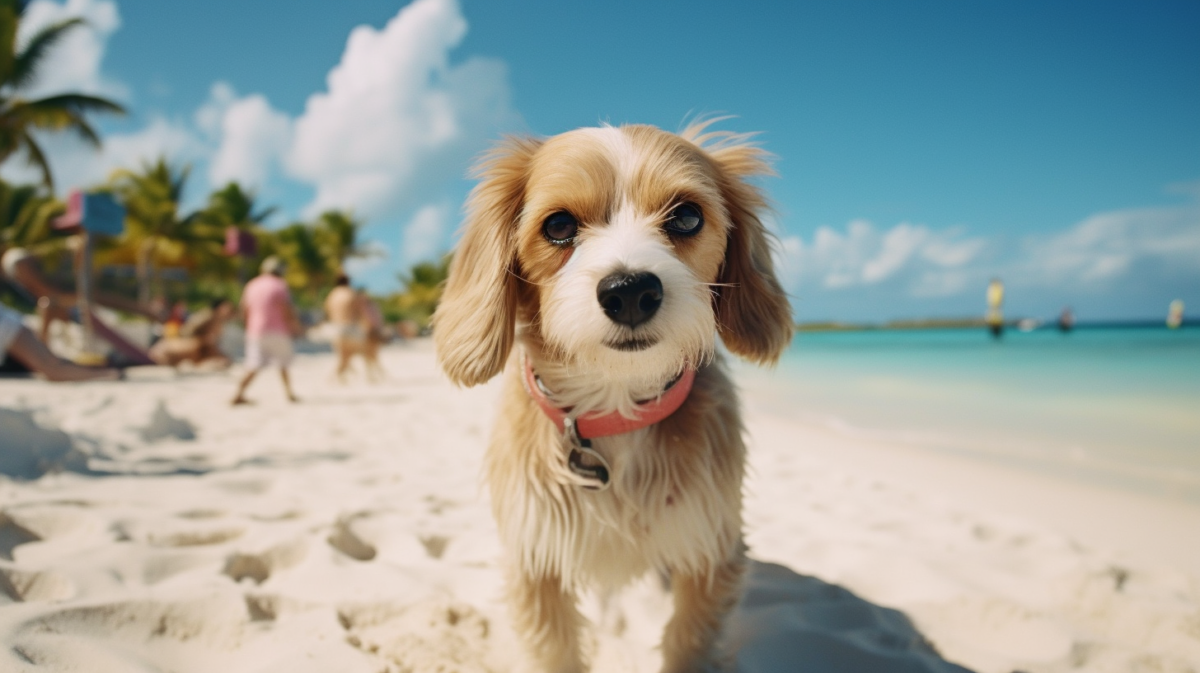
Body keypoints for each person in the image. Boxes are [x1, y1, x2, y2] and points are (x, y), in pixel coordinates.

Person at [231, 257, 300, 405]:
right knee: (283, 363)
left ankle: (238, 393)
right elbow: (285, 308)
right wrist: (293, 325)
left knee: (253, 364)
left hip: (255, 331)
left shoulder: (252, 284)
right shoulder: (280, 285)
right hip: (278, 330)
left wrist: (248, 326)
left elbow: (244, 309)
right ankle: (289, 393)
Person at [0, 303, 119, 381]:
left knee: (53, 366)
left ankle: (102, 372)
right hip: (12, 337)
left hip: (9, 329)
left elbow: (52, 369)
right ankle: (101, 371)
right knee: (54, 364)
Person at [149, 298, 234, 369]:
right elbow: (188, 330)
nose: (229, 311)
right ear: (220, 307)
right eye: (227, 307)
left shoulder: (214, 318)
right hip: (189, 342)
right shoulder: (208, 316)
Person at [323, 273, 363, 382]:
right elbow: (359, 311)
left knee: (342, 355)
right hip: (350, 327)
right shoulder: (351, 293)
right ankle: (335, 376)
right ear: (348, 282)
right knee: (351, 354)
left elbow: (327, 311)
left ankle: (341, 376)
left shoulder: (332, 295)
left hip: (335, 327)